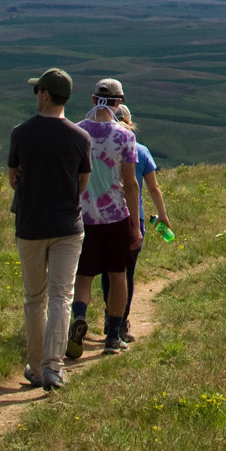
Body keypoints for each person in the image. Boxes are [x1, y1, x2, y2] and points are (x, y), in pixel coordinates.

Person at [6, 67, 90, 391]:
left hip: (30, 226)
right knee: (61, 298)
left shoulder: (21, 133)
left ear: (44, 95)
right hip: (68, 226)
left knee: (34, 299)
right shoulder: (80, 137)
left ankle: (37, 367)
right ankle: (54, 368)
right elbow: (81, 184)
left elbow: (13, 177)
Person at [67, 80, 141, 356]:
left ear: (93, 99)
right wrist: (135, 224)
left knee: (83, 276)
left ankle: (80, 318)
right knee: (117, 275)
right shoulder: (125, 136)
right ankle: (112, 335)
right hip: (115, 216)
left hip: (83, 216)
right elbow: (130, 184)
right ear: (119, 103)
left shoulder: (77, 131)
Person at [104, 103, 169, 342]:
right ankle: (120, 323)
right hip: (133, 217)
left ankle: (108, 317)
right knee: (126, 274)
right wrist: (162, 215)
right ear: (130, 122)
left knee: (108, 272)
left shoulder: (102, 147)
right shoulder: (140, 150)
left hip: (104, 215)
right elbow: (153, 187)